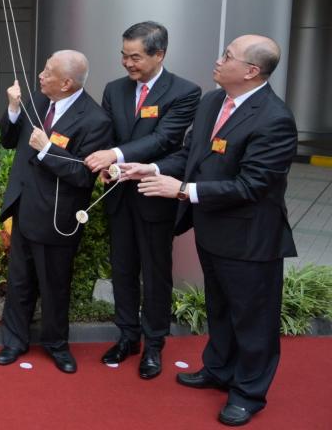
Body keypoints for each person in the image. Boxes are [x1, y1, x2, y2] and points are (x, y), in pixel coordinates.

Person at [121, 35, 297, 427]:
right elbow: (191, 154)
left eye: (228, 57)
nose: (218, 61)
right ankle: (218, 369)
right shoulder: (213, 102)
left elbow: (252, 186)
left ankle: (249, 393)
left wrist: (182, 190)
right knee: (219, 308)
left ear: (251, 71)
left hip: (251, 239)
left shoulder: (274, 119)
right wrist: (152, 169)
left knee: (253, 321)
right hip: (213, 231)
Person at [84, 21, 200, 379]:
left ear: (159, 54)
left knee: (155, 273)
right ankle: (127, 337)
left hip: (154, 197)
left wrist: (114, 155)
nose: (127, 63)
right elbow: (105, 134)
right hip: (119, 196)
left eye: (135, 57)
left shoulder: (184, 91)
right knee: (122, 270)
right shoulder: (114, 89)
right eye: (123, 55)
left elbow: (165, 139)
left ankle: (154, 345)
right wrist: (105, 164)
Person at [0, 50, 112, 374]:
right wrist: (14, 109)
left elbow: (83, 175)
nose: (40, 76)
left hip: (58, 217)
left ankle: (56, 345)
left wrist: (47, 149)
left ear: (67, 82)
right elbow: (8, 140)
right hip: (25, 205)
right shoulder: (39, 99)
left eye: (48, 72)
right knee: (19, 281)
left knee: (54, 285)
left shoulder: (95, 120)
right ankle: (14, 342)